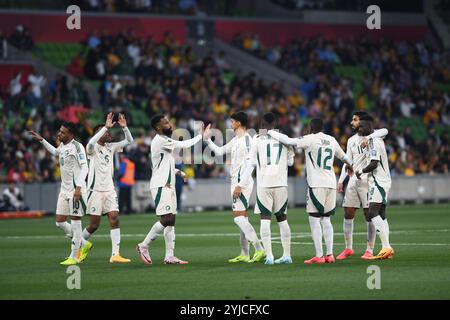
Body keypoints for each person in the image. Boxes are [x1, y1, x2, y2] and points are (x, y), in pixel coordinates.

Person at [268, 118, 353, 264]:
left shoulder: (310, 139)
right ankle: (330, 254)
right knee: (326, 219)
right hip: (331, 183)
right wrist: (350, 165)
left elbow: (289, 141)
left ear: (311, 127)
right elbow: (344, 156)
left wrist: (270, 132)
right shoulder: (331, 139)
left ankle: (319, 256)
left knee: (314, 220)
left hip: (317, 184)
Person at [136, 114, 208, 265]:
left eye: (168, 122)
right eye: (166, 123)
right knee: (167, 218)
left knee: (172, 220)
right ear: (158, 127)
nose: (170, 125)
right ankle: (144, 245)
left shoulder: (163, 142)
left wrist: (177, 171)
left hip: (169, 183)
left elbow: (160, 164)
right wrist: (200, 136)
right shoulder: (161, 140)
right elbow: (184, 145)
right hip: (161, 185)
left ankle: (169, 256)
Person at [204, 111, 265, 263]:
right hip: (236, 182)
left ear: (238, 123)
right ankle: (244, 253)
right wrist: (207, 139)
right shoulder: (237, 139)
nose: (230, 124)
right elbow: (219, 151)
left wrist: (239, 185)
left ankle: (259, 249)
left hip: (241, 183)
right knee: (242, 218)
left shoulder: (247, 140)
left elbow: (251, 165)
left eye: (232, 121)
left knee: (238, 219)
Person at [29, 122, 88, 266]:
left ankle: (74, 256)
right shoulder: (63, 146)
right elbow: (56, 152)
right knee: (60, 221)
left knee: (75, 222)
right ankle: (83, 243)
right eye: (59, 131)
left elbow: (85, 167)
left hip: (75, 190)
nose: (59, 134)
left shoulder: (77, 146)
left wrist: (79, 188)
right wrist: (42, 140)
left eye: (62, 132)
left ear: (71, 134)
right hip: (64, 189)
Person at [238, 113, 294, 265]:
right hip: (281, 183)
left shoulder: (257, 138)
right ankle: (287, 255)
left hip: (264, 184)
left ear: (262, 124)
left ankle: (269, 256)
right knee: (282, 219)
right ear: (275, 123)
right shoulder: (284, 137)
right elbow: (290, 162)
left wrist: (240, 184)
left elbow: (251, 163)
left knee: (265, 220)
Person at [79, 113, 134, 263]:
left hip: (109, 189)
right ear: (98, 134)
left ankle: (115, 254)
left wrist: (125, 128)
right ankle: (77, 246)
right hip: (94, 190)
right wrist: (105, 127)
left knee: (114, 218)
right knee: (94, 224)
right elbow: (90, 142)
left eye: (108, 132)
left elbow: (130, 140)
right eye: (105, 132)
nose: (108, 134)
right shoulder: (91, 148)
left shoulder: (111, 147)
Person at [336, 111, 388, 260]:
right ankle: (348, 248)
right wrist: (341, 180)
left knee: (369, 214)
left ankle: (369, 249)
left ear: (363, 122)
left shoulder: (375, 135)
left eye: (355, 120)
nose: (352, 122)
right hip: (353, 180)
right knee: (348, 212)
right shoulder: (351, 140)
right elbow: (348, 162)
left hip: (368, 180)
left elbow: (385, 130)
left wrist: (370, 136)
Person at [356, 115, 394, 260]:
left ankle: (386, 247)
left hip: (379, 180)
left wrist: (360, 171)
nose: (360, 130)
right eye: (359, 128)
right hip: (380, 180)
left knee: (372, 212)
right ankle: (387, 248)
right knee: (381, 214)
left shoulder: (373, 141)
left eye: (362, 127)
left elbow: (374, 163)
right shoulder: (374, 139)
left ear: (370, 127)